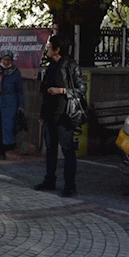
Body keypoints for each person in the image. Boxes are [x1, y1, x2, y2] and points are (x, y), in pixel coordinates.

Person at [34, 34, 87, 197]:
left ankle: (70, 185)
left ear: (57, 49)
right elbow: (44, 91)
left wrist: (62, 91)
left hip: (65, 116)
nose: (47, 49)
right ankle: (50, 180)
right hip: (50, 114)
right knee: (50, 149)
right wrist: (42, 114)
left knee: (67, 149)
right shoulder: (50, 67)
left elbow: (81, 89)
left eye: (50, 47)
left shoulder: (71, 66)